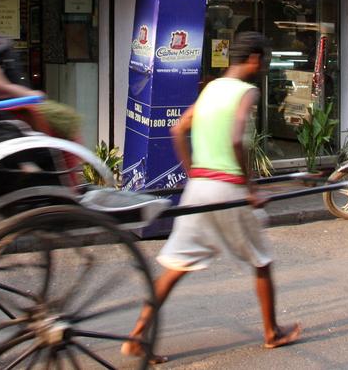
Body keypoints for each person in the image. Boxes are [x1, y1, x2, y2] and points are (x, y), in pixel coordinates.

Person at [122, 32, 302, 363]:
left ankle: (136, 336)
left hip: (199, 189)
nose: (264, 67)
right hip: (227, 188)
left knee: (176, 266)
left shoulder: (210, 88)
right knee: (261, 260)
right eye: (264, 60)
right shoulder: (246, 92)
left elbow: (178, 128)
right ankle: (272, 332)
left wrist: (193, 172)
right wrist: (250, 189)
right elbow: (235, 138)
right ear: (254, 59)